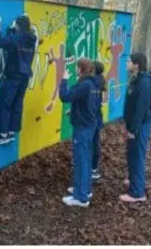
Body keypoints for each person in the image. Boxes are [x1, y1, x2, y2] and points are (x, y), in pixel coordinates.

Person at [0, 16, 39, 146]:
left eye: (16, 26)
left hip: (14, 76)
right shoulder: (31, 39)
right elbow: (16, 44)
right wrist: (12, 32)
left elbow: (1, 43)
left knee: (5, 104)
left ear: (19, 26)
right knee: (17, 104)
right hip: (24, 77)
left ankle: (2, 135)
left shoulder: (18, 38)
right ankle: (12, 132)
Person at [57, 58, 99, 207]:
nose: (75, 69)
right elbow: (87, 104)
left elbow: (65, 97)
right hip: (89, 125)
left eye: (76, 67)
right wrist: (75, 111)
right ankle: (84, 189)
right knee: (86, 159)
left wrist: (63, 80)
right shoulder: (93, 84)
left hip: (82, 128)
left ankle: (80, 198)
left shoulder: (85, 84)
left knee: (81, 160)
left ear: (81, 69)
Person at [121, 52, 151, 203]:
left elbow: (141, 108)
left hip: (140, 126)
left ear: (136, 64)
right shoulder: (136, 79)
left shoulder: (144, 83)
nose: (126, 64)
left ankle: (137, 193)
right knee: (132, 154)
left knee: (137, 156)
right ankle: (134, 180)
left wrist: (133, 129)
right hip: (134, 125)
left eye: (129, 61)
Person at [91, 61, 107, 180]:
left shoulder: (92, 83)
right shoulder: (101, 81)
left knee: (90, 144)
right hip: (97, 117)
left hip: (91, 117)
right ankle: (94, 168)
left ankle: (89, 169)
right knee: (95, 143)